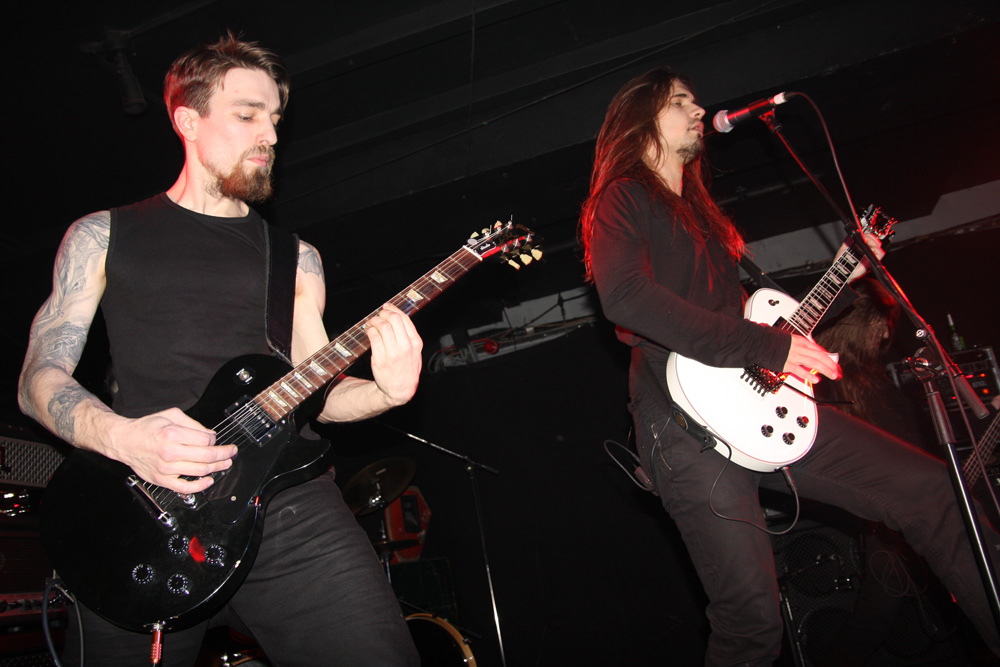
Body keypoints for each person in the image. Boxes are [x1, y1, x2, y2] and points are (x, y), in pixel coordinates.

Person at [18, 34, 422, 667]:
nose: (271, 135)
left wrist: (385, 391)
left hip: (288, 504)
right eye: (248, 115)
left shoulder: (296, 259)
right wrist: (123, 439)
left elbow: (317, 395)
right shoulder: (103, 235)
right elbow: (38, 377)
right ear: (188, 121)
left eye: (275, 119)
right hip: (142, 508)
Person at [578, 66, 1000, 665]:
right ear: (640, 119)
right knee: (751, 622)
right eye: (680, 101)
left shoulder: (703, 219)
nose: (699, 110)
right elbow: (628, 300)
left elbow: (759, 323)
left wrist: (844, 277)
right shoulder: (622, 197)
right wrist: (770, 349)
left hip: (756, 406)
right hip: (683, 426)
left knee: (933, 493)